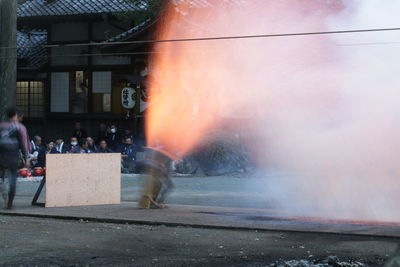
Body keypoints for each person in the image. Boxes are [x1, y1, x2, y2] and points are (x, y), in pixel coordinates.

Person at [0, 107, 31, 209]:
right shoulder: (20, 127)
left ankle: (2, 190)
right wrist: (26, 158)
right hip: (13, 156)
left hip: (1, 155)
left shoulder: (1, 126)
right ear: (16, 115)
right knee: (13, 177)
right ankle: (10, 200)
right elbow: (24, 144)